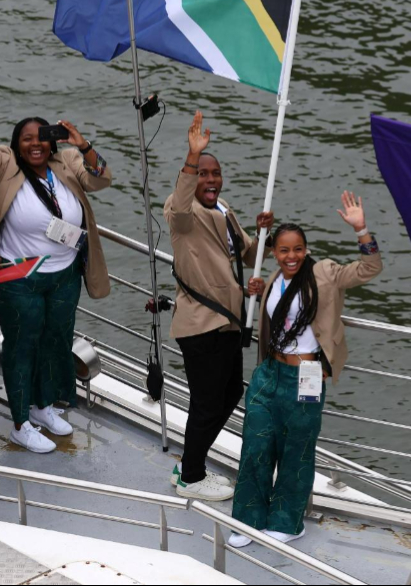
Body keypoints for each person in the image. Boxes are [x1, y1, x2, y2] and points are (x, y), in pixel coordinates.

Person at [0, 74, 112, 453]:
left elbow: (102, 178)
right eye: (27, 139)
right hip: (17, 277)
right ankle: (20, 422)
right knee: (22, 345)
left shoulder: (67, 161)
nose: (36, 144)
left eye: (43, 137)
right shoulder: (3, 164)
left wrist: (83, 144)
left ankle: (43, 407)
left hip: (64, 275)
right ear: (16, 144)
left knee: (55, 342)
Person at [228, 196, 383, 548]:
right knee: (256, 445)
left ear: (306, 249)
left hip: (308, 375)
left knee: (297, 450)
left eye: (297, 249)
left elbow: (369, 268)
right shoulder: (270, 280)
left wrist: (361, 228)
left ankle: (288, 520)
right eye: (283, 250)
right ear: (275, 253)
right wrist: (252, 290)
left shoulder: (325, 272)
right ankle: (249, 518)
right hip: (270, 371)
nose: (291, 256)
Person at [163, 110, 272, 501]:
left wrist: (264, 236)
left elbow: (245, 254)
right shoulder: (182, 214)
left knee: (228, 395)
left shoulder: (223, 208)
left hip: (228, 323)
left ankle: (190, 462)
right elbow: (178, 204)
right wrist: (193, 155)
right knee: (207, 403)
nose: (210, 180)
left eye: (215, 173)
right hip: (201, 324)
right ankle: (190, 476)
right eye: (203, 174)